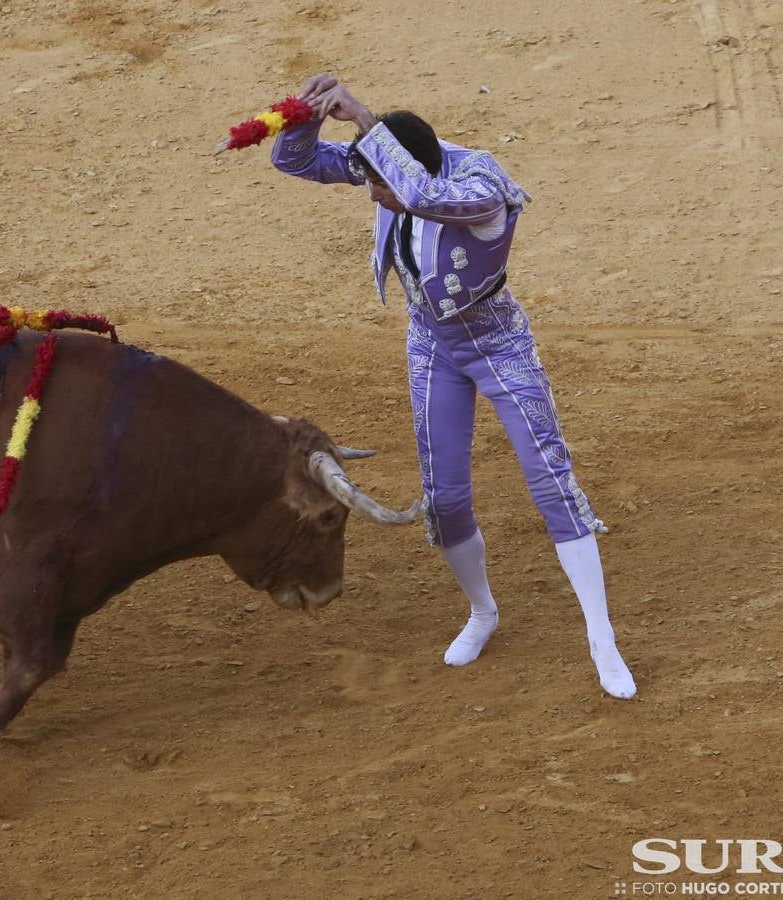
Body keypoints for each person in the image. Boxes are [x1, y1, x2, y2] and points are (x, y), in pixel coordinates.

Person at [269, 73, 636, 699]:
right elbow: (294, 160)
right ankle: (484, 612)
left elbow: (418, 193)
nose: (374, 194)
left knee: (552, 484)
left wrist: (362, 114)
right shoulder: (393, 164)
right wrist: (304, 112)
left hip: (500, 346)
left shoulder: (480, 190)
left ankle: (602, 635)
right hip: (434, 347)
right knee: (443, 496)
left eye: (379, 182)